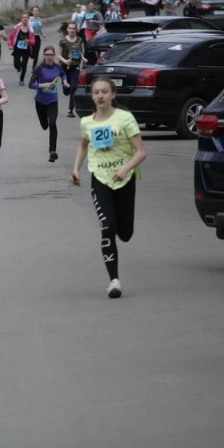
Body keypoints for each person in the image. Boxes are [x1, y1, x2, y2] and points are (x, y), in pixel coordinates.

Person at [68, 77, 147, 299]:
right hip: (100, 179)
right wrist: (76, 169)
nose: (100, 96)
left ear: (113, 94)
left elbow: (141, 152)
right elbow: (83, 145)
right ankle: (114, 280)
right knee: (107, 227)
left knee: (125, 233)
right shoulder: (87, 122)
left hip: (125, 179)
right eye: (96, 93)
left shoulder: (124, 118)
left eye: (104, 92)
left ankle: (122, 231)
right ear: (92, 96)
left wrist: (124, 169)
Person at [29, 46, 69, 163]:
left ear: (54, 55)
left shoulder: (57, 67)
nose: (49, 56)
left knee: (52, 123)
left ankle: (52, 152)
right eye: (47, 54)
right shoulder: (39, 69)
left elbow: (62, 75)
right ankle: (43, 122)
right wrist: (43, 85)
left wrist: (65, 82)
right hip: (40, 101)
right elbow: (31, 84)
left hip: (53, 100)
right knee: (44, 125)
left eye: (51, 54)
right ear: (44, 55)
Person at [58, 21, 86, 117]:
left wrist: (83, 58)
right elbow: (58, 55)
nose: (72, 30)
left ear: (76, 30)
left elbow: (79, 51)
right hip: (64, 67)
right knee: (66, 90)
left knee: (73, 87)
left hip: (75, 66)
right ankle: (65, 88)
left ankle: (70, 110)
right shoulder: (63, 41)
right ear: (67, 29)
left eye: (74, 28)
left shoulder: (79, 40)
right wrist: (65, 61)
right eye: (70, 28)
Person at [7, 13, 35, 86]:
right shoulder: (17, 28)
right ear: (21, 19)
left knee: (24, 65)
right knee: (16, 64)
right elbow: (10, 37)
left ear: (28, 19)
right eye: (23, 17)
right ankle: (18, 67)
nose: (25, 19)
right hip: (17, 49)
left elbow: (33, 41)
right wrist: (9, 44)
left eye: (26, 17)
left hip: (26, 50)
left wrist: (29, 41)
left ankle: (21, 79)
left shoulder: (30, 30)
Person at [28, 5, 44, 70]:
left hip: (37, 37)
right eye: (34, 10)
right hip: (31, 38)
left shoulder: (40, 20)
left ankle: (33, 68)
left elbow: (40, 29)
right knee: (31, 54)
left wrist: (42, 34)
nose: (36, 12)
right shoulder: (29, 19)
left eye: (37, 10)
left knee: (36, 53)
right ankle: (31, 55)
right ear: (32, 12)